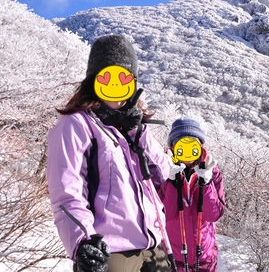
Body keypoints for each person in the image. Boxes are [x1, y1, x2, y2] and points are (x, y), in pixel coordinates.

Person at [47, 34, 172, 272]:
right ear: (93, 81)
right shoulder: (75, 125)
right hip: (111, 253)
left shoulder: (131, 126)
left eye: (123, 77)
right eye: (107, 76)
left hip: (154, 248)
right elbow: (66, 193)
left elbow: (161, 173)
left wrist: (138, 131)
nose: (115, 85)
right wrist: (83, 241)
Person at [158, 117, 225, 271]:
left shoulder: (212, 172)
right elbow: (164, 215)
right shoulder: (161, 172)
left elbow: (213, 214)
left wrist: (206, 183)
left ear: (200, 146)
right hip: (172, 257)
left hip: (205, 258)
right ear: (173, 147)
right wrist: (172, 182)